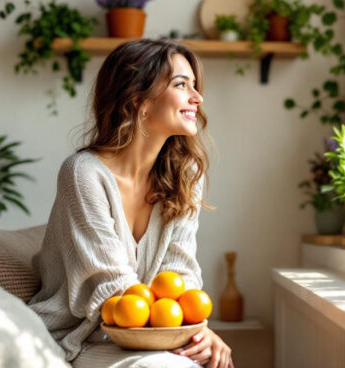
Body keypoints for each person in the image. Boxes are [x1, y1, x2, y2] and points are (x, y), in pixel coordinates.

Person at [27, 39, 233, 368]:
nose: (198, 98)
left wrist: (199, 332)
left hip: (156, 336)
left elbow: (180, 276)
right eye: (182, 85)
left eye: (195, 85)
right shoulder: (83, 174)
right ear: (138, 99)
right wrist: (181, 328)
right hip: (79, 338)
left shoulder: (186, 175)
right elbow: (114, 293)